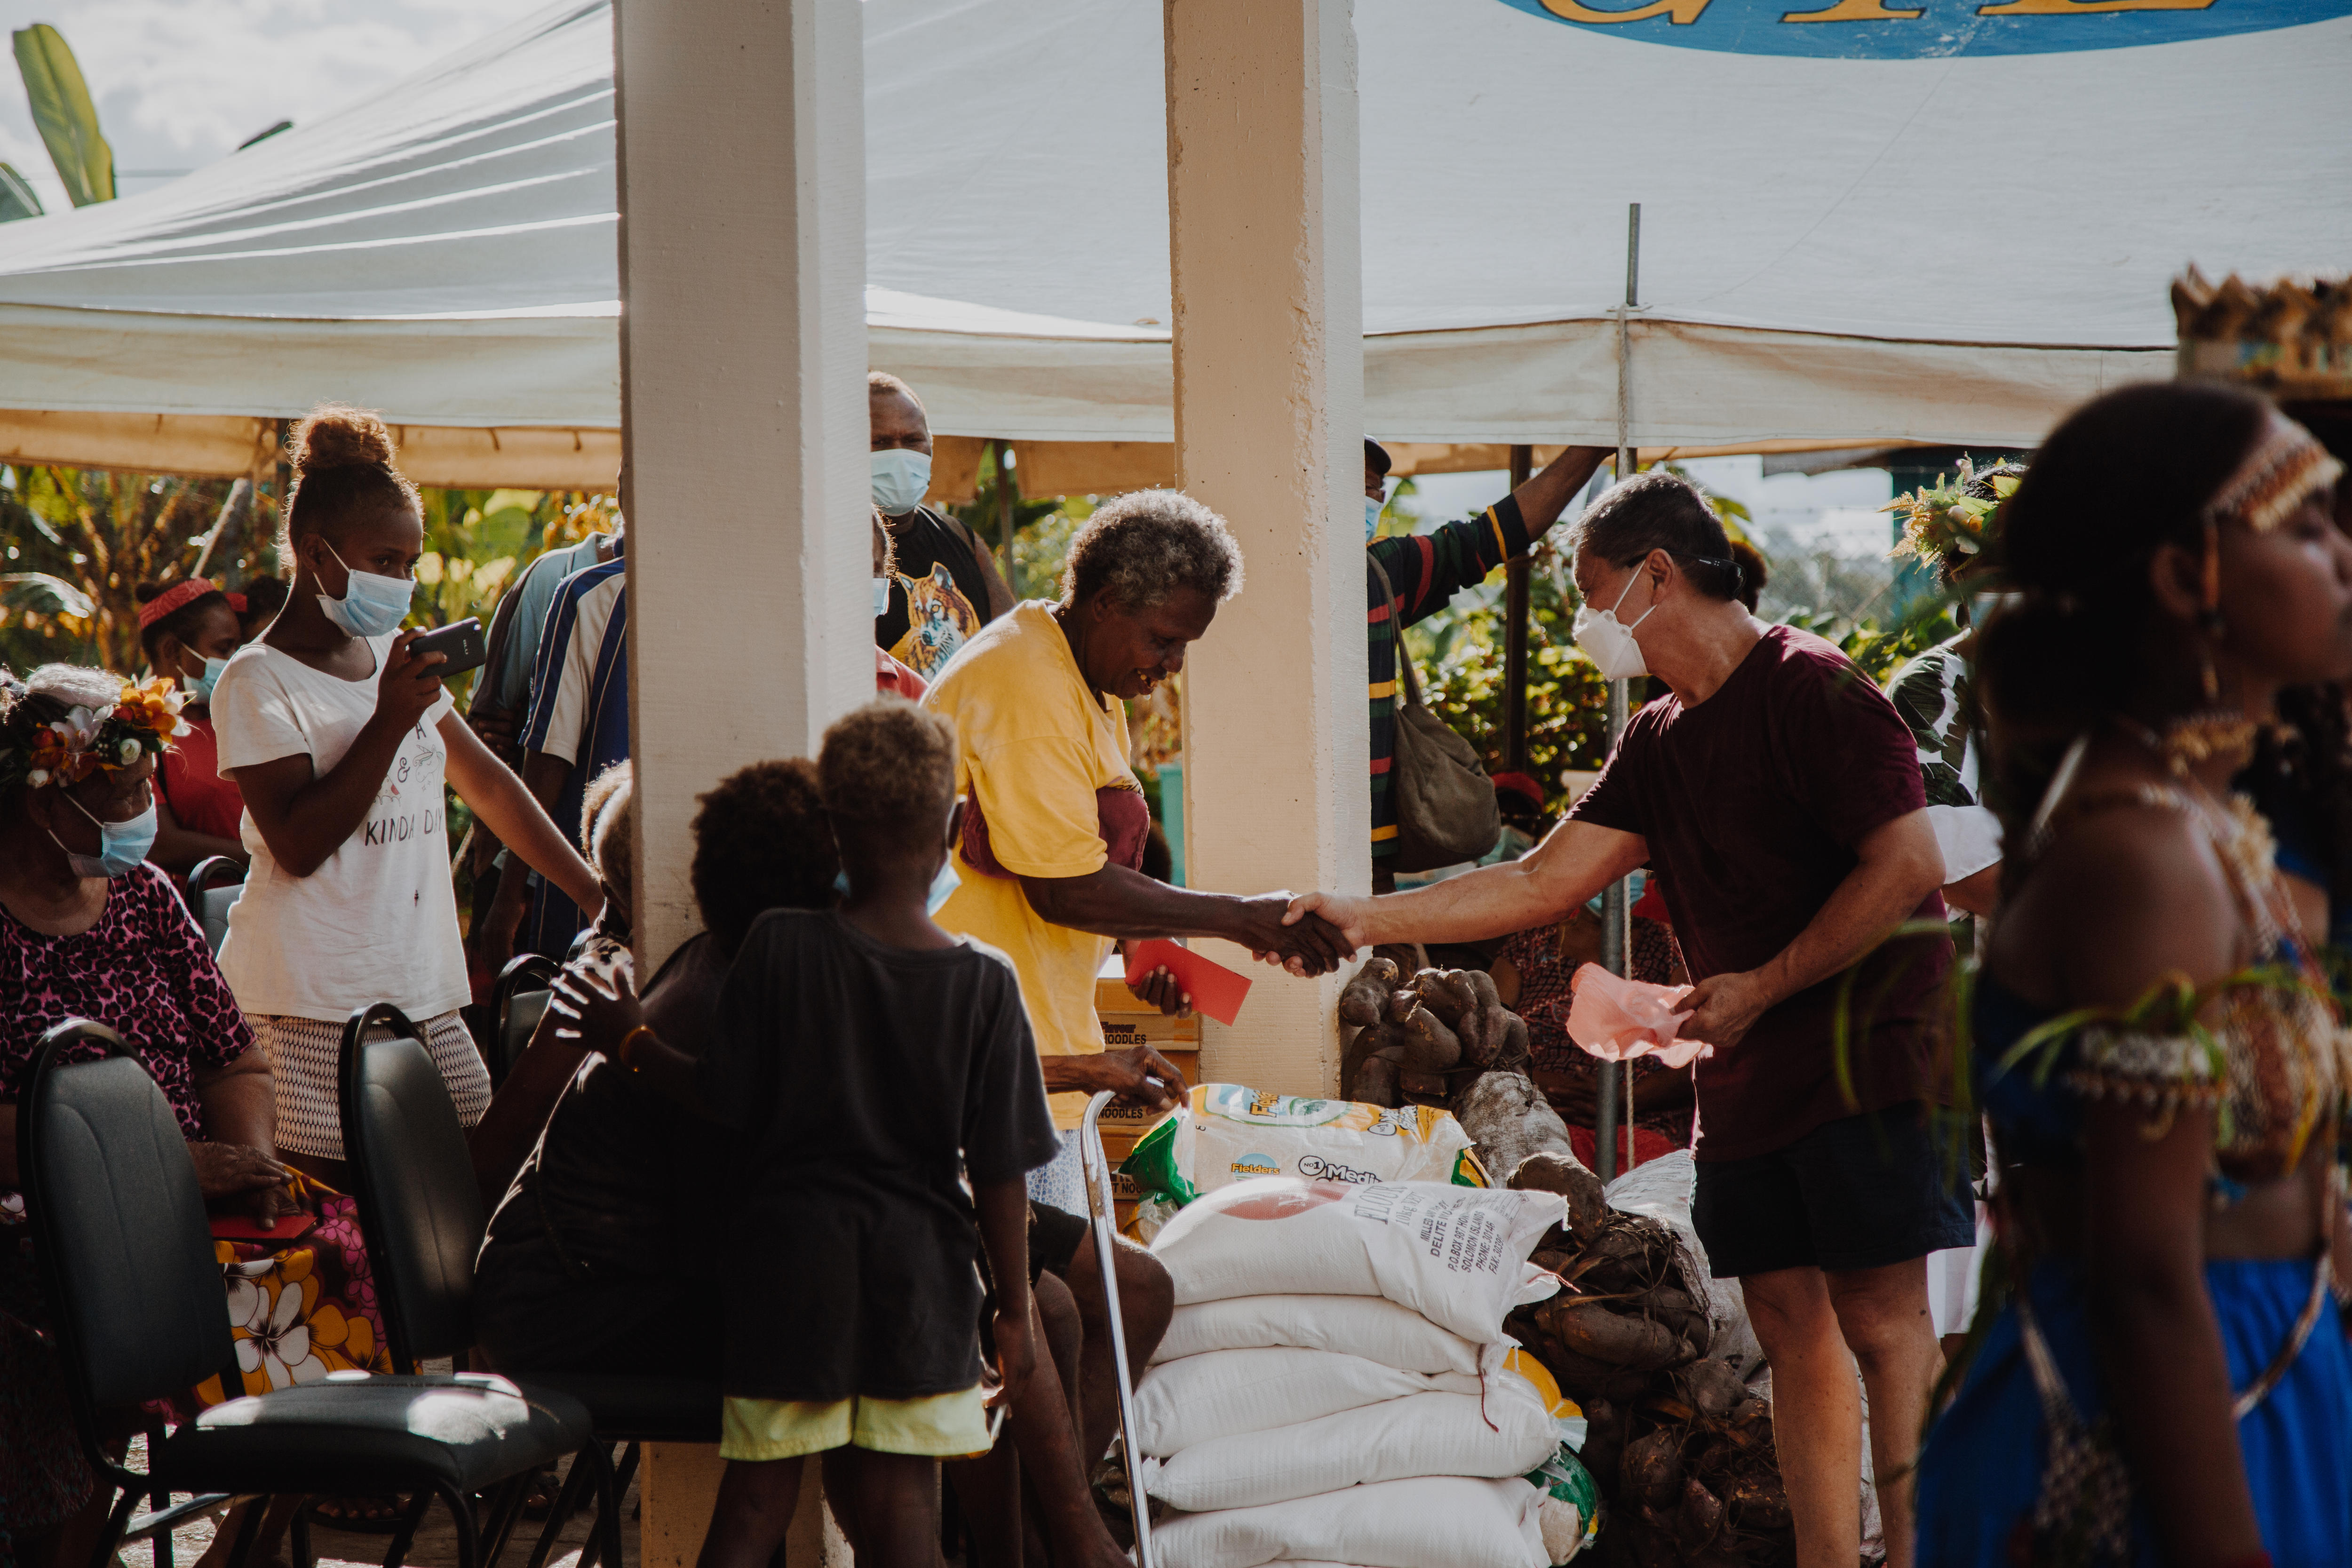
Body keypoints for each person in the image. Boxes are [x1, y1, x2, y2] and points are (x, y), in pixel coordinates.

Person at [1288, 469, 1964, 1568]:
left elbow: (1907, 862)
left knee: (1884, 1325)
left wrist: (1765, 983)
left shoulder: (1817, 689)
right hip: (1746, 1070)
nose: (1588, 622)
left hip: (1869, 1056)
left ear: (1658, 573)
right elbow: (1539, 882)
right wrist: (1357, 914)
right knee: (1790, 1323)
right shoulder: (1657, 737)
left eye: (1595, 591)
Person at [1916, 386, 2352, 1565]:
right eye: (2306, 529)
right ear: (2183, 576)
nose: (2343, 558)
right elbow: (2146, 1271)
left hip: (2260, 1370)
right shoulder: (2145, 857)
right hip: (2162, 1429)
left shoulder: (2202, 822)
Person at [546, 702, 1057, 1568]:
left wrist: (629, 1039)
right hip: (921, 1283)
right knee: (902, 1514)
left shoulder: (779, 947)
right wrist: (1013, 1307)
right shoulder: (985, 983)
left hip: (787, 1277)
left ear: (830, 830)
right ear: (956, 824)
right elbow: (1002, 1170)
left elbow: (722, 1096)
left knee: (752, 1506)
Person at [921, 487, 1353, 1466]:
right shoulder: (1026, 686)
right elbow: (1064, 887)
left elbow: (1068, 866)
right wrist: (1237, 918)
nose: (1169, 669)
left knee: (1067, 1311)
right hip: (999, 1052)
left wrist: (1156, 954)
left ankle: (1051, 1509)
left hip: (1040, 1032)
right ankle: (1059, 1516)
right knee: (1088, 1305)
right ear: (1107, 599)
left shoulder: (1074, 677)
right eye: (1165, 640)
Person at [0, 663, 389, 1568]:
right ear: (41, 798)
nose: (146, 809)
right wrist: (162, 1168)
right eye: (124, 792)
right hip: (41, 1210)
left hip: (187, 1194)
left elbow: (233, 1057)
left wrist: (248, 1164)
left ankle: (239, 1553)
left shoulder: (145, 898)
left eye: (147, 786)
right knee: (83, 1302)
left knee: (335, 1252)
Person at [209, 405, 602, 1189]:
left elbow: (488, 784)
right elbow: (297, 841)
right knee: (344, 1241)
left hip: (423, 988)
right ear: (317, 554)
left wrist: (591, 891)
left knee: (468, 1195)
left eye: (410, 562)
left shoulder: (391, 654)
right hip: (307, 1004)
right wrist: (389, 718)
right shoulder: (256, 679)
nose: (402, 581)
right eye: (384, 560)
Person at [1363, 438, 1607, 889]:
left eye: (1372, 491)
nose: (1362, 500)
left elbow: (1491, 537)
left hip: (1369, 860)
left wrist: (1588, 452)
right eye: (1348, 485)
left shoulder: (1381, 572)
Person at [463, 484, 622, 961]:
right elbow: (491, 721)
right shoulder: (561, 579)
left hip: (605, 863)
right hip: (530, 859)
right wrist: (502, 877)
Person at [871, 372, 1015, 680]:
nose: (899, 455)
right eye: (880, 442)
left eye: (912, 441)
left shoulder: (962, 539)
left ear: (931, 445)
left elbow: (1012, 645)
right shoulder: (831, 547)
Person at [134, 577, 249, 878]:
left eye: (238, 647)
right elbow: (159, 843)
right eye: (224, 649)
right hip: (195, 912)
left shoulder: (240, 714)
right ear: (172, 650)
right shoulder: (136, 727)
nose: (235, 660)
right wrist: (268, 857)